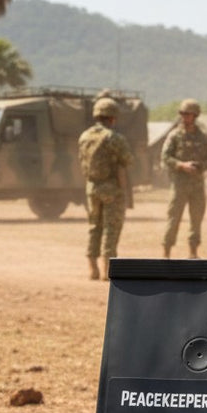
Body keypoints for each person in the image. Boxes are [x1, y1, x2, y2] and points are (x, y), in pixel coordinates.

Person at [78, 95, 133, 279]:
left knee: (94, 226)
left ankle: (92, 267)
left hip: (91, 188)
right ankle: (107, 271)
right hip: (111, 189)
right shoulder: (113, 137)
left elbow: (81, 160)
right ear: (112, 117)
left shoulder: (84, 136)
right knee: (111, 227)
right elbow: (128, 159)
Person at [161, 98, 207, 258]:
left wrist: (200, 166)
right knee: (173, 218)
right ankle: (166, 252)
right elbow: (165, 157)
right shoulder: (175, 136)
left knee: (196, 220)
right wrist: (182, 165)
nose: (185, 117)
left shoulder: (204, 137)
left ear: (195, 115)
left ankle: (193, 252)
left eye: (188, 114)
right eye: (183, 114)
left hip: (197, 184)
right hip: (179, 184)